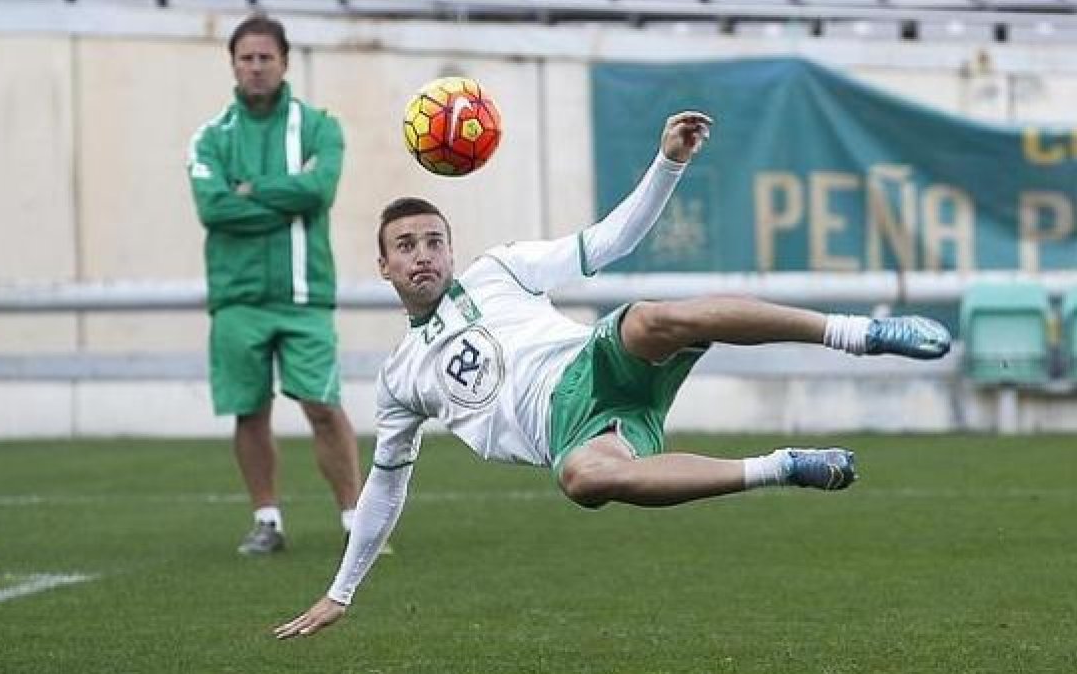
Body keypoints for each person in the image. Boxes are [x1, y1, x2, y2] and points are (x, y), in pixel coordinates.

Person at [273, 110, 951, 637]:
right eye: (405, 246)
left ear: (452, 249)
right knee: (583, 480)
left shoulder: (500, 269)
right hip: (582, 430)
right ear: (384, 266)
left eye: (434, 240)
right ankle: (785, 465)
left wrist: (667, 163)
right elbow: (386, 486)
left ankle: (858, 332)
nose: (423, 255)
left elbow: (610, 242)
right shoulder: (399, 378)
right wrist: (342, 590)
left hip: (594, 359)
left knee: (655, 318)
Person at [186, 14, 363, 555]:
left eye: (266, 57)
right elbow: (212, 208)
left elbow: (319, 190)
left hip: (305, 294)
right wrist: (284, 198)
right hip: (237, 297)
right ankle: (267, 520)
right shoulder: (210, 138)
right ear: (233, 65)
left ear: (285, 62)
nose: (256, 67)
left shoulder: (319, 127)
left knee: (322, 404)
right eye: (246, 58)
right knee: (250, 408)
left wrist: (251, 191)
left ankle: (358, 520)